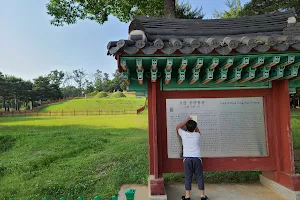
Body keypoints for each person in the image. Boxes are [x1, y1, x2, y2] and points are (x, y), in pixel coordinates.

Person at [176, 117, 208, 200]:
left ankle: (187, 196)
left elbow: (178, 127)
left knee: (188, 177)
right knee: (199, 176)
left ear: (186, 127)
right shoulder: (197, 135)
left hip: (187, 159)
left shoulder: (183, 134)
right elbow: (198, 130)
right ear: (195, 127)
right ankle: (202, 196)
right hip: (197, 159)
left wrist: (186, 121)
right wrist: (194, 124)